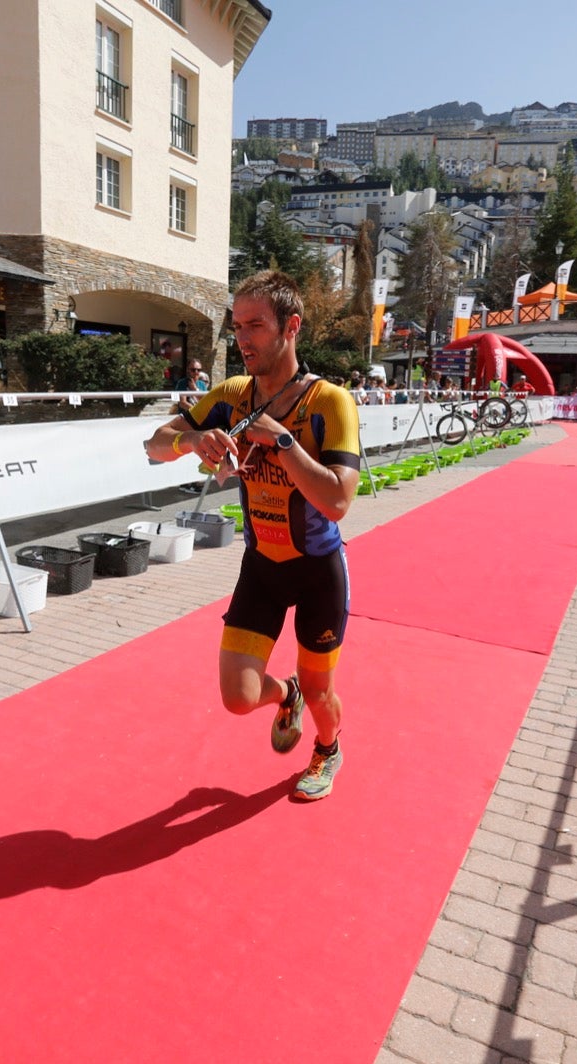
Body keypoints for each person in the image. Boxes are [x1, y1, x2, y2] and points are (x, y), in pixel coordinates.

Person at [142, 269, 361, 801]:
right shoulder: (232, 395)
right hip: (261, 567)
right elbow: (153, 445)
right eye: (236, 327)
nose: (242, 339)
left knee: (321, 688)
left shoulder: (330, 402)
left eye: (255, 326)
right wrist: (193, 439)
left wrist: (283, 441)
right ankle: (285, 692)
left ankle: (327, 749)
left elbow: (337, 502)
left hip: (317, 572)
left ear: (291, 326)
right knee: (238, 697)